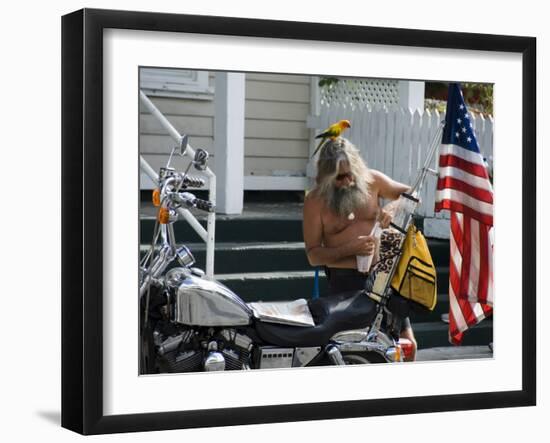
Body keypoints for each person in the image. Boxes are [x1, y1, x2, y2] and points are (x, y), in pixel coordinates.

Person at [303, 137, 417, 361]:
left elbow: (412, 193)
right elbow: (313, 255)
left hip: (381, 278)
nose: (346, 181)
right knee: (351, 349)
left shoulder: (372, 180)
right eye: (339, 177)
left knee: (406, 345)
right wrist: (350, 249)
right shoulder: (315, 201)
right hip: (344, 283)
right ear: (326, 177)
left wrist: (394, 207)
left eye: (350, 174)